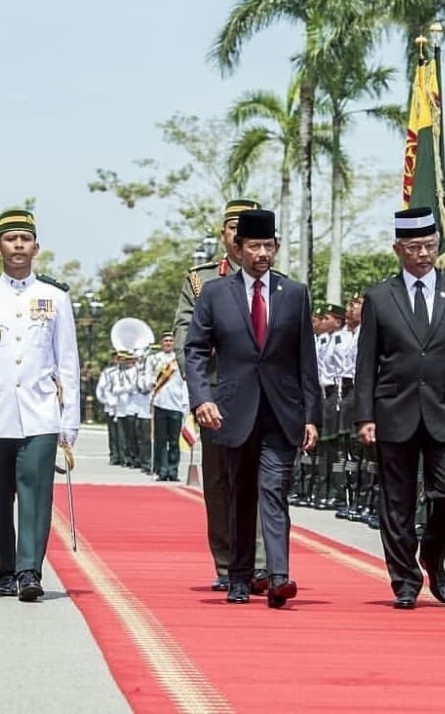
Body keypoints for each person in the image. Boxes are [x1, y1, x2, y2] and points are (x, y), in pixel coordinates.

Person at [185, 208, 320, 608]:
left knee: (274, 489)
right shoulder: (214, 293)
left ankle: (279, 575)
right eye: (255, 246)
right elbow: (194, 350)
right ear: (238, 249)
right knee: (241, 494)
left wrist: (312, 416)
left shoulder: (293, 293)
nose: (262, 253)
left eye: (269, 246)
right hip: (233, 410)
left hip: (282, 412)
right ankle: (239, 577)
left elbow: (305, 361)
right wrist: (202, 398)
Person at [354, 206, 445, 609]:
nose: (424, 254)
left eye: (430, 246)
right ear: (398, 249)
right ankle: (405, 580)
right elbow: (366, 361)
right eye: (415, 247)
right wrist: (365, 416)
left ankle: (433, 554)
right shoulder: (380, 297)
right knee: (397, 502)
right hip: (394, 410)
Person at [0, 209, 80, 602]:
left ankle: (30, 571)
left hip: (40, 411)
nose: (18, 246)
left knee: (36, 493)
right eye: (11, 239)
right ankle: (4, 570)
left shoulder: (55, 296)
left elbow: (68, 362)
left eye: (25, 239)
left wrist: (69, 420)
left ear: (36, 247)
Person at [174, 198, 268, 592]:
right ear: (225, 233)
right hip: (216, 393)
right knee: (219, 481)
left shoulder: (272, 280)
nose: (237, 235)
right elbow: (186, 338)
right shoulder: (201, 282)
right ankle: (229, 563)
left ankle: (262, 564)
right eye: (232, 227)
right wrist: (200, 391)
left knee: (264, 480)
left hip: (262, 395)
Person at [148, 331, 187, 481]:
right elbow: (148, 379)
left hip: (176, 404)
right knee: (160, 440)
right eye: (166, 340)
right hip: (160, 403)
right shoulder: (154, 359)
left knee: (174, 441)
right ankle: (162, 470)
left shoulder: (180, 359)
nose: (169, 343)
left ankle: (173, 470)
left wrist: (185, 404)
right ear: (161, 342)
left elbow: (185, 382)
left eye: (171, 340)